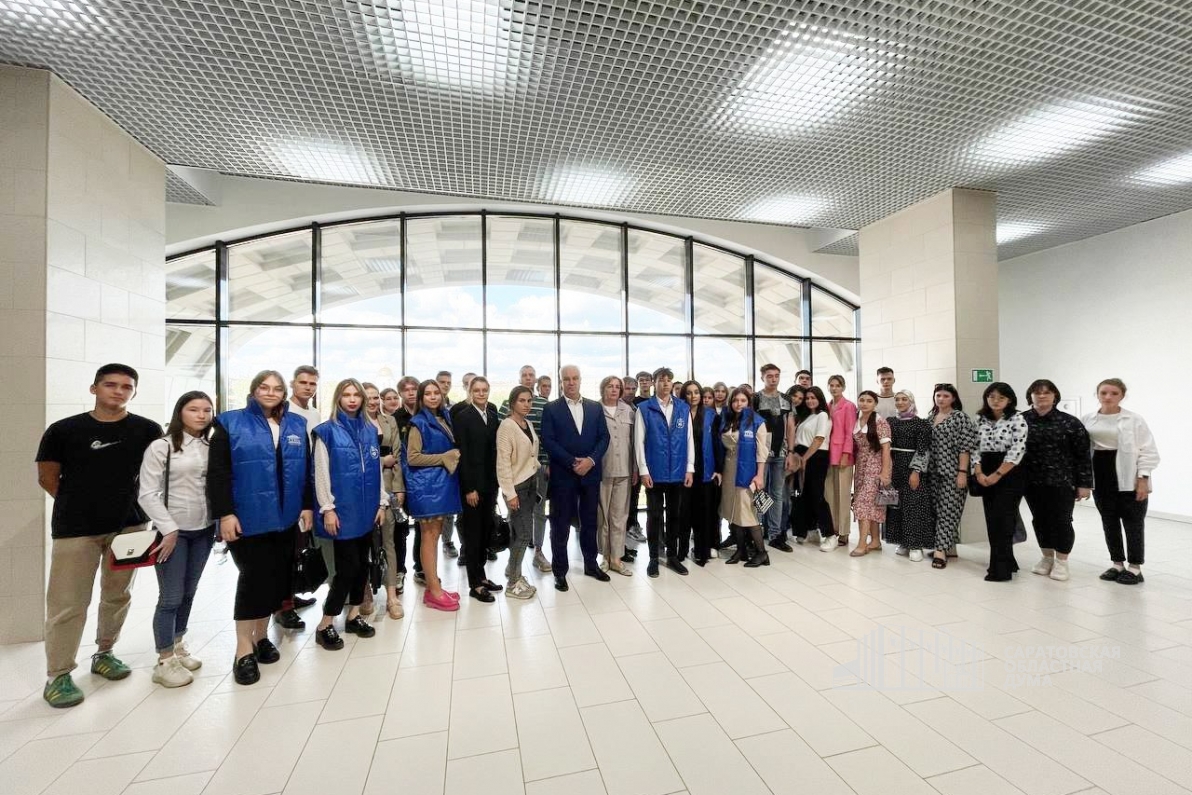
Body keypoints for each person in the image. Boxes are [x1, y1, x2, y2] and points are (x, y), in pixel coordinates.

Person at [35, 364, 163, 707]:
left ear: (133, 392)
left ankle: (105, 653)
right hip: (75, 531)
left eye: (126, 387)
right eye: (110, 385)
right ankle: (58, 674)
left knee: (118, 595)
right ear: (94, 388)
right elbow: (47, 477)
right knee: (67, 603)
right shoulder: (64, 430)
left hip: (130, 527)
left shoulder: (147, 430)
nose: (118, 391)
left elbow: (155, 475)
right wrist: (82, 506)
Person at [208, 370, 314, 686]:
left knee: (275, 580)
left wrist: (307, 505)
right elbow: (218, 474)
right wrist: (225, 514)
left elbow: (305, 470)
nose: (270, 393)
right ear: (253, 390)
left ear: (284, 393)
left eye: (277, 388)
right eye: (264, 387)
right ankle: (243, 648)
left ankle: (260, 635)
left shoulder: (296, 424)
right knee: (253, 579)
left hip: (285, 517)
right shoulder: (230, 423)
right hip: (247, 517)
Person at [138, 391, 216, 688]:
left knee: (189, 592)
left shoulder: (210, 446)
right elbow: (147, 493)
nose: (201, 415)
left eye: (206, 410)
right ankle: (164, 659)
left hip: (203, 529)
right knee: (170, 597)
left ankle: (178, 644)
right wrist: (168, 529)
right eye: (194, 409)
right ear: (180, 412)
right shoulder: (162, 446)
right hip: (173, 532)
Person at [311, 380, 387, 648]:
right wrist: (328, 509)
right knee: (346, 570)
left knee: (363, 566)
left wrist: (382, 503)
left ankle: (354, 616)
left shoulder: (369, 430)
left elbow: (377, 470)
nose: (352, 399)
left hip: (368, 511)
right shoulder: (326, 432)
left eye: (357, 395)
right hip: (342, 511)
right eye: (346, 394)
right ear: (338, 398)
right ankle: (325, 623)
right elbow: (320, 474)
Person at [540, 365, 611, 591]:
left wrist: (590, 461)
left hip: (590, 475)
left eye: (575, 378)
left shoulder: (595, 407)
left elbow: (604, 437)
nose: (571, 382)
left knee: (589, 523)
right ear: (561, 382)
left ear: (580, 380)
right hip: (563, 476)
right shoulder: (551, 408)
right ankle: (560, 572)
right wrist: (572, 462)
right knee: (560, 525)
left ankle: (591, 564)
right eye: (566, 379)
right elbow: (548, 440)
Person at [1082, 378, 1159, 585]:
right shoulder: (1088, 419)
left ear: (1122, 396)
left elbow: (1148, 450)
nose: (1108, 397)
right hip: (1101, 475)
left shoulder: (1134, 419)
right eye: (1104, 392)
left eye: (1114, 393)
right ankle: (1117, 564)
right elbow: (1081, 450)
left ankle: (1135, 567)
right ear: (1097, 394)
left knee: (1133, 522)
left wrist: (1142, 479)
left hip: (1129, 476)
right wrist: (1083, 481)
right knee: (1109, 521)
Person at [1021, 380, 1092, 582]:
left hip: (1062, 481)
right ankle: (1047, 557)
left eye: (1047, 392)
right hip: (1032, 481)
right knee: (1039, 520)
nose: (1042, 396)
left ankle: (1062, 561)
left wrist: (1085, 484)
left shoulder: (1070, 422)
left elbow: (1083, 455)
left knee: (1062, 521)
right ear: (1030, 396)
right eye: (1037, 392)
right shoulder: (1020, 420)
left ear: (1055, 396)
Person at [402, 380, 463, 611]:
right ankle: (434, 591)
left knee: (434, 536)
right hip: (426, 488)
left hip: (440, 486)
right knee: (429, 537)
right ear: (421, 398)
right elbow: (412, 457)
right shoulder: (418, 423)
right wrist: (443, 457)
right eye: (428, 393)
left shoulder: (444, 417)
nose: (433, 396)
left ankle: (433, 587)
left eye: (436, 392)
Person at [635, 367, 695, 577]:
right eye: (662, 379)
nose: (666, 383)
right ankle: (653, 558)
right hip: (654, 472)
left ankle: (672, 556)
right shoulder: (644, 408)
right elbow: (639, 442)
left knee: (674, 515)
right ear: (654, 383)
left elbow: (689, 439)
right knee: (654, 516)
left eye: (669, 379)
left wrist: (689, 468)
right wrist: (643, 470)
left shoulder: (683, 408)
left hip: (677, 471)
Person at [275, 364, 321, 630]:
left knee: (299, 547)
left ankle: (291, 594)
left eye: (312, 383)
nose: (308, 387)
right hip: (288, 488)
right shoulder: (283, 411)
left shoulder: (314, 413)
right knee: (286, 550)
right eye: (303, 382)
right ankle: (282, 606)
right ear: (292, 384)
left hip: (309, 484)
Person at [454, 376, 505, 603]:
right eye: (477, 390)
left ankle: (482, 577)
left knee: (485, 532)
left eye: (484, 390)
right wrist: (468, 488)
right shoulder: (463, 417)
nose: (481, 394)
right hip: (473, 487)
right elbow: (462, 455)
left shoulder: (493, 416)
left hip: (490, 484)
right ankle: (475, 584)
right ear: (470, 392)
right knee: (473, 536)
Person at [973, 382, 1029, 582]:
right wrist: (979, 472)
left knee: (1004, 520)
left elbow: (1017, 450)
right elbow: (974, 447)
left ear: (1009, 400)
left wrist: (996, 475)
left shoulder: (1017, 418)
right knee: (992, 520)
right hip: (984, 469)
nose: (995, 401)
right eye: (991, 397)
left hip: (1009, 472)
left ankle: (1000, 569)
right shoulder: (980, 418)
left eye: (1001, 397)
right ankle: (1008, 561)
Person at [499, 365, 552, 574]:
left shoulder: (541, 408)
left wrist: (546, 463)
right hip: (516, 474)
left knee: (538, 513)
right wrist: (508, 488)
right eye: (524, 375)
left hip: (537, 470)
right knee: (517, 522)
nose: (528, 378)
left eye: (531, 375)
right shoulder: (507, 413)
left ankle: (538, 552)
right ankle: (514, 565)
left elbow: (546, 437)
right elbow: (502, 449)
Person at [713, 388, 769, 567]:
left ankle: (762, 553)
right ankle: (741, 549)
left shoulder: (757, 421)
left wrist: (759, 475)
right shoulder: (727, 419)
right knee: (733, 510)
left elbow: (762, 452)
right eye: (735, 400)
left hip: (748, 470)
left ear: (749, 402)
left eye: (743, 400)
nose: (739, 404)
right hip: (729, 468)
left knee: (748, 513)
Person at [365, 383, 406, 618]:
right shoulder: (354, 424)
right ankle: (365, 594)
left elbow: (397, 456)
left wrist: (399, 488)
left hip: (389, 487)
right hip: (363, 488)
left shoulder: (389, 421)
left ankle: (392, 596)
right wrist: (382, 461)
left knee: (388, 541)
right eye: (367, 397)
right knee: (363, 544)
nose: (372, 402)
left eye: (374, 397)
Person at [496, 386, 541, 599]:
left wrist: (536, 467)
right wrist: (509, 493)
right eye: (522, 400)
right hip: (517, 488)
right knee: (523, 535)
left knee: (518, 533)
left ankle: (513, 571)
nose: (526, 404)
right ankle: (513, 584)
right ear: (512, 402)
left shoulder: (527, 423)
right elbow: (503, 462)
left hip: (530, 484)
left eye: (529, 400)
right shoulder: (507, 426)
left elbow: (531, 454)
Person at [928, 384, 978, 569]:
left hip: (953, 472)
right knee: (937, 510)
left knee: (948, 511)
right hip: (932, 472)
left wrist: (962, 472)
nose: (941, 399)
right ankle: (950, 547)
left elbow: (966, 447)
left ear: (953, 398)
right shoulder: (930, 417)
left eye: (945, 396)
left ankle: (940, 552)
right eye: (938, 395)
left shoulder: (960, 418)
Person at [884, 390, 933, 562]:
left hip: (911, 468)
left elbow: (923, 450)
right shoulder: (890, 421)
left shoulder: (921, 423)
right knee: (895, 506)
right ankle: (903, 542)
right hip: (893, 467)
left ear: (911, 401)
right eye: (897, 399)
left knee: (913, 506)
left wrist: (916, 471)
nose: (900, 402)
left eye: (904, 399)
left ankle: (915, 545)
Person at [753, 364, 796, 552]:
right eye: (769, 376)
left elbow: (791, 426)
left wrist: (791, 452)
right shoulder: (755, 398)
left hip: (781, 452)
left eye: (776, 375)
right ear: (762, 377)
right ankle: (756, 531)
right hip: (760, 453)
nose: (773, 379)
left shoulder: (786, 399)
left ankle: (775, 534)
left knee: (777, 493)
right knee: (758, 491)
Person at [596, 376, 636, 575]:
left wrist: (636, 468)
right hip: (602, 471)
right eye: (610, 386)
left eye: (617, 387)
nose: (613, 390)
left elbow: (636, 442)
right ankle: (604, 556)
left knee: (619, 517)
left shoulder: (628, 411)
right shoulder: (594, 410)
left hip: (625, 471)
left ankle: (616, 558)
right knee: (603, 517)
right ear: (603, 388)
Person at [790, 386, 835, 550]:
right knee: (804, 495)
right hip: (802, 454)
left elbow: (819, 439)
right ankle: (811, 529)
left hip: (815, 456)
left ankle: (830, 535)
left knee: (817, 496)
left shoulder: (823, 415)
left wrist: (805, 458)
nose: (809, 401)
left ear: (820, 399)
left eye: (813, 398)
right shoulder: (807, 416)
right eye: (807, 398)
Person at [848, 391, 893, 557]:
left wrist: (885, 472)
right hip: (861, 464)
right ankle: (875, 540)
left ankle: (862, 543)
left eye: (869, 401)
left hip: (876, 463)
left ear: (875, 404)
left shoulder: (880, 421)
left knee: (863, 503)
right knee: (871, 503)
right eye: (862, 400)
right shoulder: (856, 419)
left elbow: (886, 449)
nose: (865, 403)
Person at [681, 380, 717, 565]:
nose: (693, 396)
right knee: (684, 511)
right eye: (689, 392)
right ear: (684, 395)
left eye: (696, 392)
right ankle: (681, 551)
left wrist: (718, 469)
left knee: (703, 511)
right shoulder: (679, 413)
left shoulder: (711, 415)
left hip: (705, 469)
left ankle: (702, 551)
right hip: (684, 469)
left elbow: (718, 443)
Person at [825, 375, 857, 549]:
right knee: (830, 495)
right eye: (831, 385)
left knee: (843, 495)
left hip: (843, 455)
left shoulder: (849, 406)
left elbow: (850, 432)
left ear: (843, 387)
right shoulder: (827, 405)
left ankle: (844, 532)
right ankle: (834, 529)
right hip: (828, 454)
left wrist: (846, 453)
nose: (834, 388)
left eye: (837, 385)